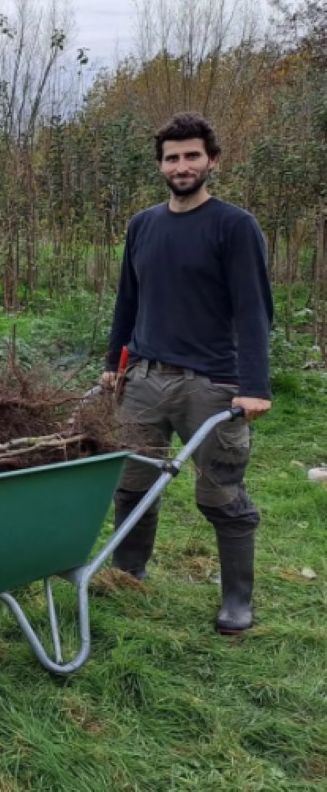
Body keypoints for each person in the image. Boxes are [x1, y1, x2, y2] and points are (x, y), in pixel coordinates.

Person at [100, 112, 273, 635]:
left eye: (192, 155)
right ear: (160, 166)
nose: (182, 165)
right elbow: (127, 300)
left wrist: (254, 387)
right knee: (133, 483)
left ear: (212, 161)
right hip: (146, 378)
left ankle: (237, 601)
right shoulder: (143, 225)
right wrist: (114, 363)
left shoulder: (234, 226)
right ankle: (128, 571)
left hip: (212, 383)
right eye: (172, 157)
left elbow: (253, 309)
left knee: (219, 493)